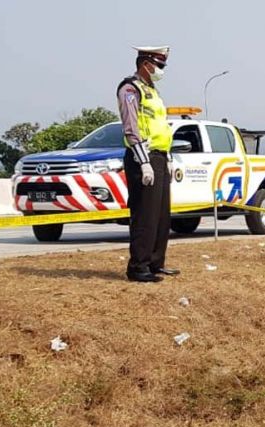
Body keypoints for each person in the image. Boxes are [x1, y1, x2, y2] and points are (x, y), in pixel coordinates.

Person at [117, 46, 179, 282]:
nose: (161, 70)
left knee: (161, 215)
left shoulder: (152, 90)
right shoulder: (130, 89)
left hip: (160, 156)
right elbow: (131, 128)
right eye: (159, 65)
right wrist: (144, 162)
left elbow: (160, 127)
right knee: (145, 214)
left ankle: (156, 263)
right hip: (142, 156)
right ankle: (138, 267)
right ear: (145, 64)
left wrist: (168, 159)